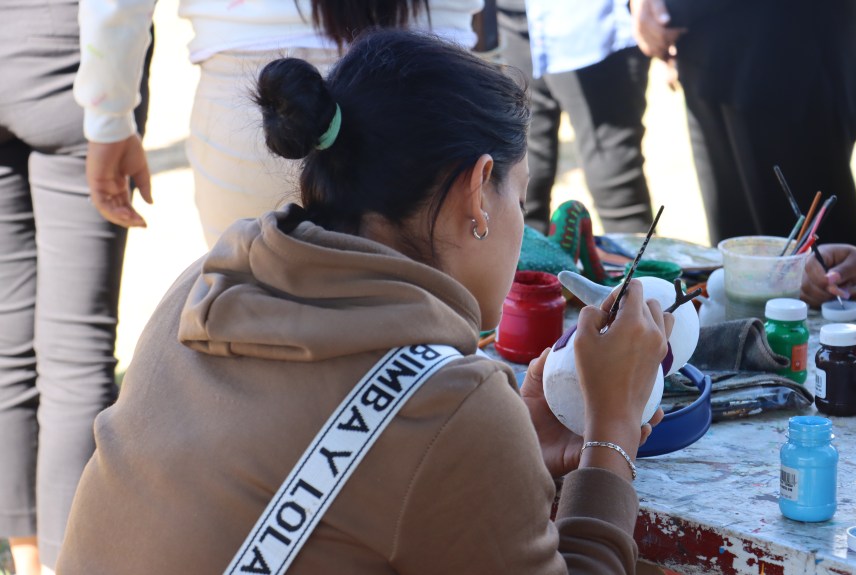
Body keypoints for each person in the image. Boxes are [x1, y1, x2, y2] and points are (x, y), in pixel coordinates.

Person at [56, 30, 672, 574]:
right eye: (519, 194)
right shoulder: (450, 406)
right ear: (478, 192)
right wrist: (612, 430)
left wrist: (510, 455)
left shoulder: (204, 285)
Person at [75, 0, 483, 247]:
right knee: (427, 350)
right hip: (432, 89)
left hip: (250, 96)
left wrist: (108, 118)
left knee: (252, 340)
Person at [0, 1, 150, 573]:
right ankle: (66, 564)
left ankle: (28, 561)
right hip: (69, 60)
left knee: (9, 347)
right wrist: (112, 118)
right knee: (76, 360)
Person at [631, 0, 856, 246]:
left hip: (781, 54)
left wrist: (665, 8)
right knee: (735, 257)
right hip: (703, 53)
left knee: (817, 262)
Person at [497, 0, 657, 235]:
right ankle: (527, 272)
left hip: (589, 23)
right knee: (521, 186)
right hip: (512, 20)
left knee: (617, 188)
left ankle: (641, 272)